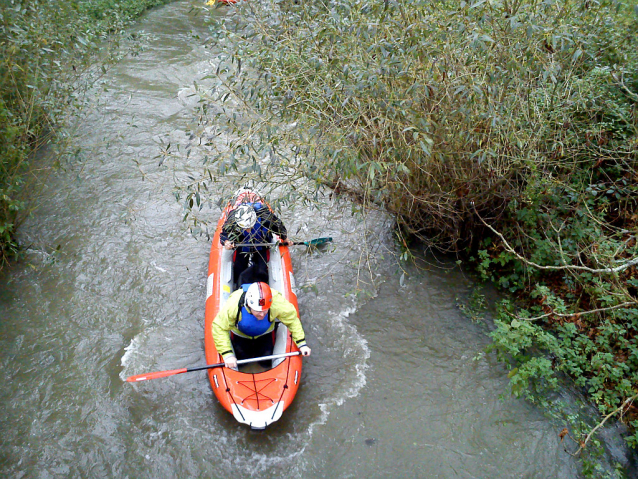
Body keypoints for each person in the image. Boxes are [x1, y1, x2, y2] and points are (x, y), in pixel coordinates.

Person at [212, 282, 311, 369]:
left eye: (265, 311)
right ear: (249, 305)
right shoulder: (233, 305)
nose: (262, 314)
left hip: (265, 334)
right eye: (258, 312)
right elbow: (219, 327)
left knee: (265, 363)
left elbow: (292, 320)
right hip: (241, 335)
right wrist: (227, 354)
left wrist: (302, 344)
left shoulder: (276, 302)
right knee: (241, 362)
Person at [220, 202, 291, 287]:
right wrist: (226, 242)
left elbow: (278, 226)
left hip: (261, 243)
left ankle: (262, 286)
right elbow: (224, 233)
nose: (248, 231)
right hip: (242, 244)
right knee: (239, 270)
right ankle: (239, 286)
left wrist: (285, 238)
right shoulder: (233, 220)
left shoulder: (265, 217)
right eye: (245, 228)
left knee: (262, 271)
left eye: (249, 227)